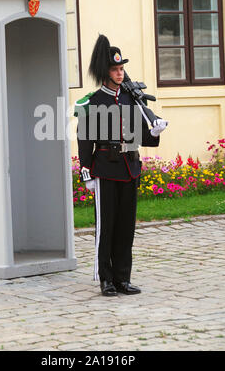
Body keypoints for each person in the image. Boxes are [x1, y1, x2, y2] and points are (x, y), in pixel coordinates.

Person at [75, 35, 168, 296]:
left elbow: (143, 135)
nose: (120, 73)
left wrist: (156, 132)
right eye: (115, 69)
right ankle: (106, 278)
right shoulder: (92, 103)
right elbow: (85, 141)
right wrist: (86, 172)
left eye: (121, 68)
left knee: (126, 227)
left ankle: (122, 278)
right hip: (104, 169)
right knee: (106, 227)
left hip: (129, 168)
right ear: (105, 73)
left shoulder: (131, 99)